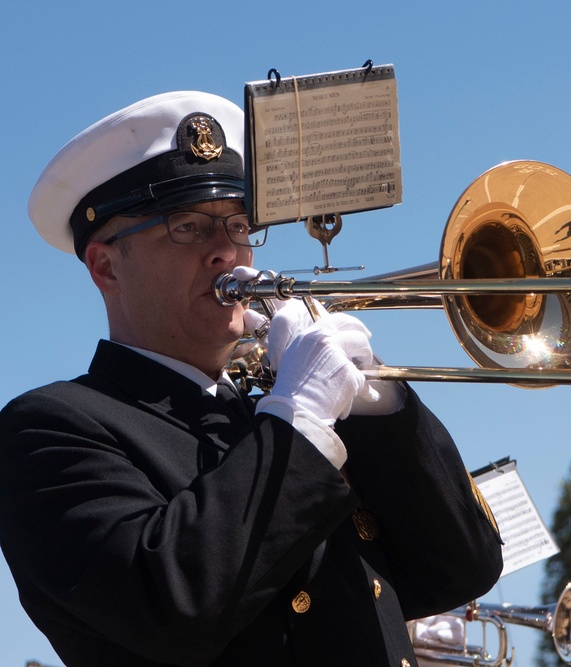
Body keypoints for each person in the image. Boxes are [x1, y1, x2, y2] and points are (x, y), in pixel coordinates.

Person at [0, 90, 504, 667]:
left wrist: (374, 401)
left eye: (238, 225)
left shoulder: (271, 417)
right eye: (188, 227)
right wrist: (302, 416)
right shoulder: (49, 429)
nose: (227, 252)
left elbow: (463, 568)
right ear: (105, 265)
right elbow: (176, 604)